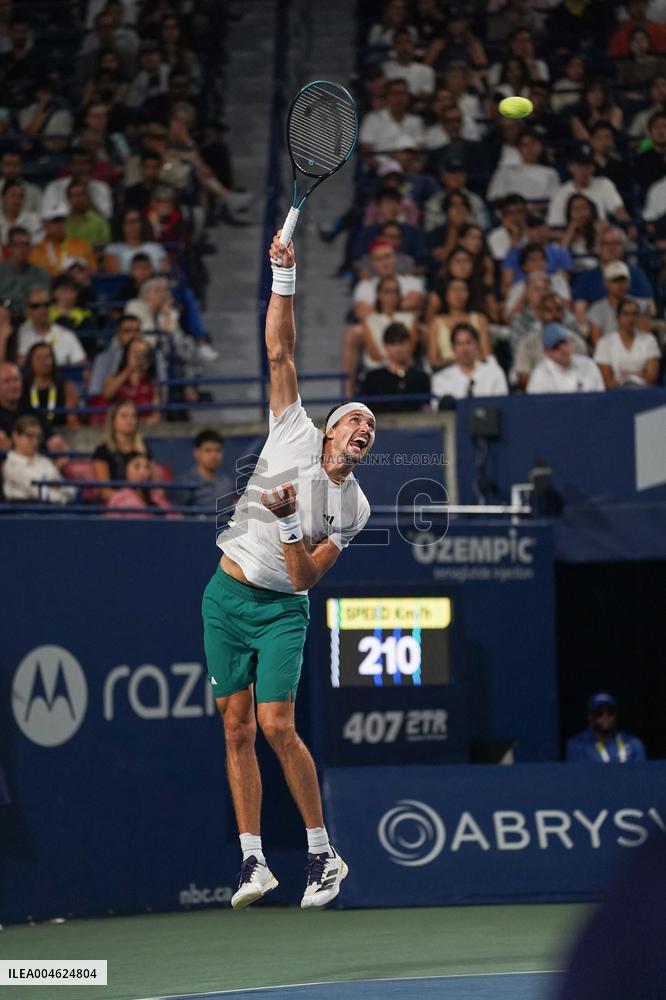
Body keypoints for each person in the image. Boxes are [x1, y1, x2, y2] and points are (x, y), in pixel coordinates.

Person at [206, 230, 373, 911]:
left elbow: (304, 579)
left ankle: (321, 854)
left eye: (371, 432)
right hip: (224, 595)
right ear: (331, 430)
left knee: (277, 725)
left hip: (281, 609)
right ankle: (253, 862)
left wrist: (283, 523)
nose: (364, 431)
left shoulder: (353, 506)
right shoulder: (293, 425)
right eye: (355, 421)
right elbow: (281, 348)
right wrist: (285, 275)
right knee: (235, 725)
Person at [547, 146, 632, 232]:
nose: (584, 170)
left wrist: (629, 227)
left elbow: (618, 210)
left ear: (593, 167)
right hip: (573, 239)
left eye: (588, 166)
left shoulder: (604, 184)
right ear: (571, 167)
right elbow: (553, 228)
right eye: (580, 166)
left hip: (602, 237)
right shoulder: (560, 192)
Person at [1, 414, 74, 504]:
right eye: (30, 436)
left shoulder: (44, 461)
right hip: (22, 513)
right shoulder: (11, 464)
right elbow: (41, 494)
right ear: (16, 436)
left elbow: (70, 490)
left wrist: (57, 490)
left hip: (53, 510)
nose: (35, 441)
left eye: (38, 437)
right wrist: (59, 493)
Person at [92, 399, 153, 501]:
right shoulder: (102, 451)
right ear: (113, 421)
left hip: (144, 505)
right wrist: (128, 501)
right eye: (124, 416)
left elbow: (155, 485)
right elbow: (105, 492)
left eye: (133, 416)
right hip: (117, 507)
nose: (130, 420)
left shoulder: (144, 449)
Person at [361, 322, 430, 412]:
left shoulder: (421, 378)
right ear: (385, 347)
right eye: (393, 343)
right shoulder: (373, 379)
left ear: (410, 345)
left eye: (401, 343)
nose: (398, 349)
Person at [431, 323, 508, 402]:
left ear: (477, 345)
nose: (465, 349)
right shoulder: (441, 379)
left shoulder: (494, 373)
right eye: (459, 344)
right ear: (453, 349)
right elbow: (438, 411)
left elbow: (504, 405)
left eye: (468, 343)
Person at [594, 299, 661, 388]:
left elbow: (650, 378)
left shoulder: (649, 340)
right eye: (626, 314)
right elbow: (607, 381)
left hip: (644, 392)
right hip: (615, 394)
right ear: (617, 317)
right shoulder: (604, 343)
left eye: (634, 314)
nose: (631, 318)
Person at [487, 130, 560, 207]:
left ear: (540, 146)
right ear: (518, 149)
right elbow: (495, 197)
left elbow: (554, 201)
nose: (530, 149)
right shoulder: (504, 172)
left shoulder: (551, 173)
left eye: (533, 144)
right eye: (525, 145)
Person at [428, 278, 491, 367]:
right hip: (446, 372)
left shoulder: (480, 319)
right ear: (446, 295)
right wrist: (458, 365)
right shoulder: (436, 323)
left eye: (463, 290)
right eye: (454, 290)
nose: (458, 294)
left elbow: (487, 356)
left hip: (477, 370)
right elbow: (433, 360)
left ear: (468, 294)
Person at [566, 693, 646, 762]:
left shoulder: (633, 744)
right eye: (599, 713)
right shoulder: (577, 745)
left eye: (610, 712)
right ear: (590, 717)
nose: (605, 717)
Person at [17, 288, 87, 367]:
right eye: (35, 306)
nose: (42, 309)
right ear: (27, 310)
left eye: (46, 305)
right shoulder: (18, 334)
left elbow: (82, 366)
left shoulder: (67, 335)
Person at [527, 323, 605, 394]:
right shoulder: (540, 375)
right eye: (555, 347)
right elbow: (536, 407)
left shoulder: (588, 365)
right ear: (547, 353)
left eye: (563, 343)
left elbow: (600, 399)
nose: (563, 350)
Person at [587, 262, 651, 344]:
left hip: (637, 351)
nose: (620, 285)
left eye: (623, 280)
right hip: (609, 353)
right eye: (615, 281)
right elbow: (597, 343)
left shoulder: (640, 305)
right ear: (606, 283)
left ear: (629, 282)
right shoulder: (596, 309)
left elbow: (646, 337)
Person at [101, 336, 161, 422]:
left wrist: (135, 423)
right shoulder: (113, 378)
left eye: (142, 353)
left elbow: (156, 416)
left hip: (144, 428)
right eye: (135, 352)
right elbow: (107, 394)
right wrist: (129, 369)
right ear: (127, 354)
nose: (138, 356)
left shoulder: (152, 383)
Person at [21, 342, 80, 429]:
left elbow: (72, 418)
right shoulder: (22, 387)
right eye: (38, 357)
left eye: (47, 357)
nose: (44, 362)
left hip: (59, 432)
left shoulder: (66, 386)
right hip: (28, 434)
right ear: (30, 361)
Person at [358, 78, 426, 154]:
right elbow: (365, 148)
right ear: (387, 97)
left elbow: (420, 147)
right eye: (395, 93)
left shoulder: (416, 120)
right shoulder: (373, 118)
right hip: (381, 163)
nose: (399, 98)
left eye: (403, 93)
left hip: (409, 163)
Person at [29, 205, 98, 276]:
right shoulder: (36, 251)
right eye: (55, 221)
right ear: (45, 224)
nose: (60, 225)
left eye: (62, 221)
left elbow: (93, 271)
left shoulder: (81, 245)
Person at [106, 451, 177, 518]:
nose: (143, 472)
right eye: (137, 466)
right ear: (126, 471)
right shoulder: (119, 499)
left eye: (147, 467)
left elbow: (175, 517)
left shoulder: (156, 497)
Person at [180, 429, 235, 514]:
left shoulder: (227, 483)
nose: (214, 456)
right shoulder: (185, 482)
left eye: (218, 450)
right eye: (208, 450)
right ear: (197, 453)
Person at [0, 227, 50, 313]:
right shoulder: (2, 272)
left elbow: (46, 302)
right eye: (17, 245)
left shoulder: (41, 274)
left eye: (26, 245)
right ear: (9, 247)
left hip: (33, 319)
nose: (22, 249)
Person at [103, 208, 168, 272]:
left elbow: (166, 274)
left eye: (136, 221)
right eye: (128, 222)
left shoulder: (156, 248)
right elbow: (115, 278)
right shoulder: (113, 249)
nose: (133, 225)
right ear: (120, 224)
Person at [0, 179, 41, 245]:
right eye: (13, 196)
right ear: (3, 197)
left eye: (21, 196)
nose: (17, 200)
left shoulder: (34, 220)